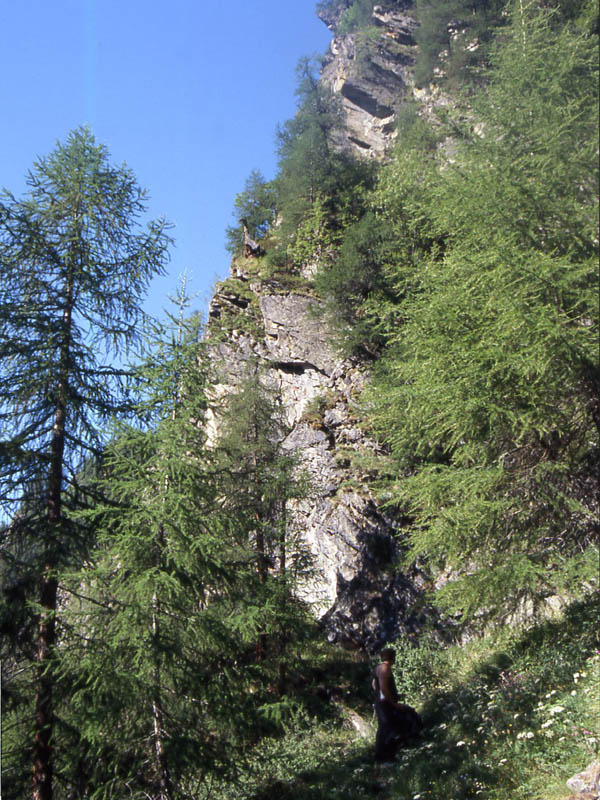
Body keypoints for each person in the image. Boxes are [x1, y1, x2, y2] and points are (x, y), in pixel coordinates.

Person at [372, 647, 422, 764]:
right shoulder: (385, 668)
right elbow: (383, 688)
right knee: (389, 728)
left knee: (384, 728)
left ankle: (381, 756)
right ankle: (386, 757)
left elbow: (374, 684)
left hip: (381, 702)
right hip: (386, 704)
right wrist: (393, 703)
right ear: (392, 657)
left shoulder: (378, 668)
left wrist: (378, 696)